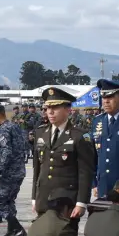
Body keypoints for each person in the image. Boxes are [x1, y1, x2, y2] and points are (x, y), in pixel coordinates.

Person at [31, 87, 95, 218]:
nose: (50, 112)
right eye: (48, 108)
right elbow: (37, 169)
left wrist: (81, 202)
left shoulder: (79, 136)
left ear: (68, 110)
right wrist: (34, 197)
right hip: (43, 198)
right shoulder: (40, 133)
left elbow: (85, 172)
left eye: (56, 108)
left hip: (66, 201)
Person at [0, 103, 28, 236]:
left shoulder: (4, 129)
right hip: (19, 171)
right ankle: (11, 231)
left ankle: (17, 228)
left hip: (9, 173)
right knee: (9, 202)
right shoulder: (15, 126)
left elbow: (7, 153)